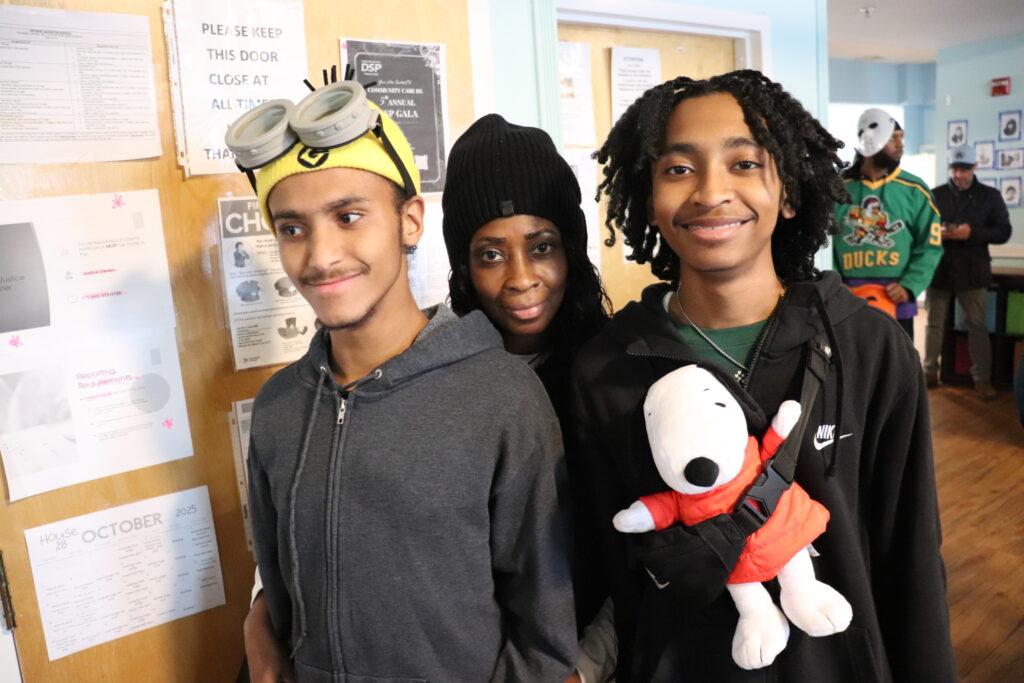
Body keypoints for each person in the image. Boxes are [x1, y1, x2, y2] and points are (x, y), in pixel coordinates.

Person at [572, 70, 956, 681]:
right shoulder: (605, 370)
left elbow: (909, 558)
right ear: (650, 200)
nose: (710, 191)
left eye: (745, 163)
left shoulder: (869, 347)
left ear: (790, 192)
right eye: (677, 169)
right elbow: (612, 572)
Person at [237, 88, 576, 682]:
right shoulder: (278, 408)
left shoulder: (502, 399)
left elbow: (545, 635)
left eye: (348, 217)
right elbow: (281, 592)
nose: (321, 257)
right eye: (292, 229)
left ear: (410, 220)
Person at [441, 113, 615, 683]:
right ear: (463, 267)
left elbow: (649, 555)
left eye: (542, 247)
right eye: (490, 255)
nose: (521, 279)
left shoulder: (617, 378)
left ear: (572, 249)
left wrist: (585, 668)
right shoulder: (432, 375)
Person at [832, 107, 943, 338]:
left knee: (898, 368)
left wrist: (910, 286)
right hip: (845, 298)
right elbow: (823, 243)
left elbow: (930, 245)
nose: (900, 144)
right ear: (872, 139)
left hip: (897, 297)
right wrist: (834, 285)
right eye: (893, 138)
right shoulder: (837, 190)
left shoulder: (915, 190)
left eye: (901, 138)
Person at [924, 145, 1012, 398]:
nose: (958, 175)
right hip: (939, 270)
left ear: (974, 166)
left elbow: (1003, 232)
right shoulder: (935, 194)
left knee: (977, 325)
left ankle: (982, 378)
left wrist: (971, 233)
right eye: (954, 170)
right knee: (933, 325)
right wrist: (936, 232)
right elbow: (921, 228)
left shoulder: (990, 196)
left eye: (964, 169)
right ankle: (929, 371)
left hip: (974, 272)